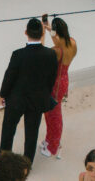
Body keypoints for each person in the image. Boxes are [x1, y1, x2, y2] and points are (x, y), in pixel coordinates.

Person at [0, 18, 58, 165]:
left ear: (26, 33)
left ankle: (3, 160)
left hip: (16, 100)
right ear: (42, 33)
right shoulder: (50, 55)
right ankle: (26, 165)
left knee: (8, 129)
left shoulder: (18, 55)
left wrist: (2, 94)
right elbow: (52, 79)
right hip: (37, 100)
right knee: (31, 134)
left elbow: (9, 77)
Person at [41, 16, 77, 160]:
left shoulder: (56, 51)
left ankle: (53, 146)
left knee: (53, 116)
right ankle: (50, 141)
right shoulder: (72, 43)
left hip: (54, 86)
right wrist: (49, 28)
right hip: (64, 80)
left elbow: (41, 53)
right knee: (52, 114)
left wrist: (43, 35)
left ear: (57, 33)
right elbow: (59, 39)